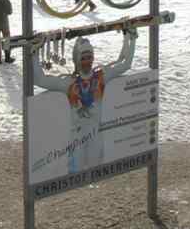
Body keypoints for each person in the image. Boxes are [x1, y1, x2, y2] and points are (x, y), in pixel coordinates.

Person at [34, 25, 137, 175]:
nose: (87, 62)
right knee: (74, 175)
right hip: (77, 137)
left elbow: (125, 64)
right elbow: (40, 80)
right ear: (77, 60)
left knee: (96, 172)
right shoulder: (69, 83)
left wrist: (131, 38)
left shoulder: (101, 77)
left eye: (89, 57)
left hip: (96, 135)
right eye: (83, 58)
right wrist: (34, 53)